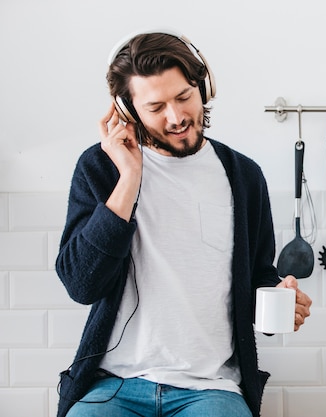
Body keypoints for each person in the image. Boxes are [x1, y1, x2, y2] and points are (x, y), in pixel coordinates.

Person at [55, 29, 312, 417]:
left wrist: (281, 300)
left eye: (183, 97)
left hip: (210, 389)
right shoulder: (100, 169)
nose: (176, 118)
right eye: (156, 107)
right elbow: (81, 284)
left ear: (203, 87)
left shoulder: (243, 176)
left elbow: (258, 275)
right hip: (113, 385)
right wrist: (128, 179)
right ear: (128, 110)